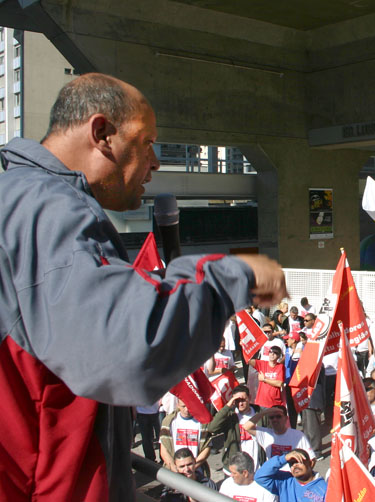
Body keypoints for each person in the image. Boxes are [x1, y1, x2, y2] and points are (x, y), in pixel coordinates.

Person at [0, 73, 287, 501]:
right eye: (147, 142)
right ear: (102, 133)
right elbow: (128, 348)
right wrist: (236, 276)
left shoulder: (15, 197)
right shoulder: (49, 209)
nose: (155, 163)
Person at [207, 385, 269, 470]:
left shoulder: (260, 413)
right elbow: (212, 428)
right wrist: (228, 406)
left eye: (243, 400)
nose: (240, 404)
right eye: (237, 400)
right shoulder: (230, 415)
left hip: (258, 465)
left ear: (249, 397)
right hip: (235, 466)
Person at [244, 405, 316, 460]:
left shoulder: (298, 435)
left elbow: (312, 458)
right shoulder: (265, 434)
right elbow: (247, 426)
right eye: (272, 417)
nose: (275, 419)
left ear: (286, 418)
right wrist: (265, 412)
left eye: (278, 416)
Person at [159, 399, 212, 473]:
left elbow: (207, 448)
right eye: (183, 406)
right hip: (175, 471)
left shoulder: (202, 422)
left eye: (189, 406)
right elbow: (164, 450)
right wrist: (174, 467)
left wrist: (193, 466)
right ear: (178, 405)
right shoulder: (169, 422)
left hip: (196, 470)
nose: (186, 409)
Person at [254, 448, 327, 501]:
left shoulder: (324, 488)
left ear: (310, 463)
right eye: (291, 463)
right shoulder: (284, 481)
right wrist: (284, 458)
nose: (295, 465)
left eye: (298, 461)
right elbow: (260, 476)